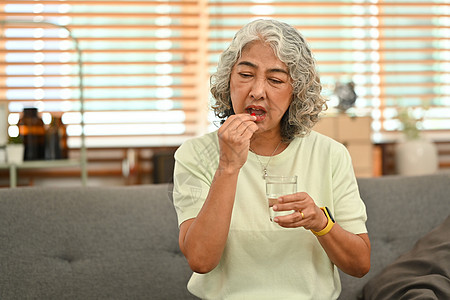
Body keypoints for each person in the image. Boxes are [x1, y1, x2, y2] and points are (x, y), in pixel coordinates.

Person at [172, 19, 370, 299]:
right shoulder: (195, 154)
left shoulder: (330, 154)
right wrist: (228, 167)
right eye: (245, 74)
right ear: (228, 80)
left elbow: (360, 264)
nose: (257, 91)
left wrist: (321, 223)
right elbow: (201, 261)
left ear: (297, 92)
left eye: (275, 80)